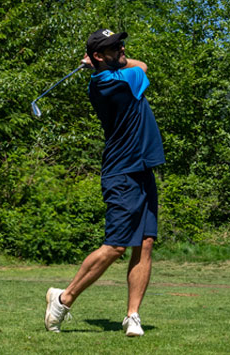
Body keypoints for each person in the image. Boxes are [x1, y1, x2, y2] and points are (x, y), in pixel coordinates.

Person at [44, 28, 165, 337]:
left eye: (120, 44)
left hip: (141, 170)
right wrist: (107, 65)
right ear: (99, 56)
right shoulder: (113, 84)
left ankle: (132, 315)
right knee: (115, 247)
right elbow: (143, 67)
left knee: (145, 244)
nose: (122, 49)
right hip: (122, 173)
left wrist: (105, 61)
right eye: (114, 48)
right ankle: (63, 298)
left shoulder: (107, 75)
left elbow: (127, 62)